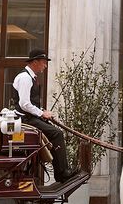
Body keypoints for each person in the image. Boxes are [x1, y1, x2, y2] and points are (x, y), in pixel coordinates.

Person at [12, 49, 75, 186]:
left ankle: (62, 172)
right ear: (35, 62)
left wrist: (41, 111)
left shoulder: (30, 77)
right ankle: (62, 173)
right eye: (43, 63)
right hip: (25, 119)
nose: (45, 66)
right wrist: (41, 114)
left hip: (29, 117)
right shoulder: (25, 78)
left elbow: (29, 103)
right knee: (57, 134)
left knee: (55, 132)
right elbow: (24, 104)